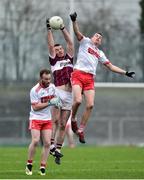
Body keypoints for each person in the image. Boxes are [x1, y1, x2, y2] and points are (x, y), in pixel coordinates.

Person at [69, 12, 135, 144]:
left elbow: (110, 66)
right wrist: (74, 21)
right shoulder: (85, 42)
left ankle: (81, 130)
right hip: (78, 73)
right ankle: (73, 120)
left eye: (100, 37)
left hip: (89, 78)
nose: (98, 38)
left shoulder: (100, 53)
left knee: (90, 105)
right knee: (77, 101)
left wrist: (125, 73)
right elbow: (77, 32)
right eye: (96, 36)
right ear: (92, 37)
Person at [46, 18, 74, 164]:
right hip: (57, 92)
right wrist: (49, 29)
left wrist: (63, 28)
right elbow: (50, 46)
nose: (59, 50)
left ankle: (58, 150)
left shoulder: (69, 58)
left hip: (69, 95)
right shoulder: (54, 61)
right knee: (55, 120)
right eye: (57, 50)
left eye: (60, 48)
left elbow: (70, 43)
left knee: (63, 123)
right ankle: (51, 144)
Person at [25, 69, 61, 176]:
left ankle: (42, 167)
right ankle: (29, 164)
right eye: (46, 79)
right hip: (35, 118)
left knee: (47, 143)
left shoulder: (53, 87)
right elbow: (35, 107)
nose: (48, 81)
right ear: (41, 78)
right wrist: (50, 102)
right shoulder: (34, 90)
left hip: (47, 119)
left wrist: (56, 105)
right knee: (35, 140)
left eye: (50, 78)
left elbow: (56, 100)